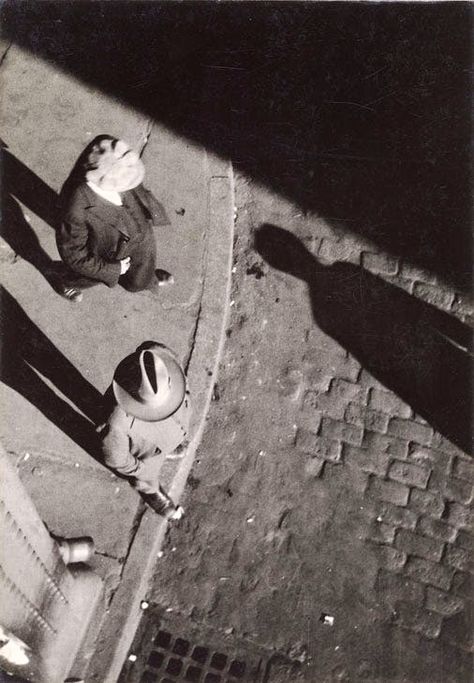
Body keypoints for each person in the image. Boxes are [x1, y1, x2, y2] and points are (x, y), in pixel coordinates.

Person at [56, 135, 173, 302]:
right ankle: (67, 282)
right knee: (92, 275)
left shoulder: (108, 149)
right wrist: (112, 269)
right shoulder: (77, 207)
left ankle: (147, 279)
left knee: (141, 272)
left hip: (138, 233)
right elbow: (75, 255)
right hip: (109, 251)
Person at [96, 341, 191, 519]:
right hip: (147, 455)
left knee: (170, 442)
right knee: (147, 479)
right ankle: (153, 495)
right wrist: (141, 468)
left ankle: (169, 448)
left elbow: (178, 371)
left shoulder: (157, 358)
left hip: (171, 431)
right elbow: (116, 458)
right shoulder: (116, 423)